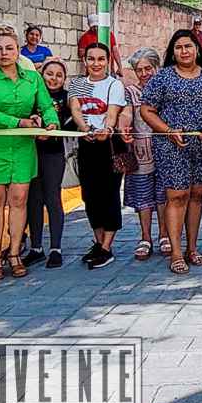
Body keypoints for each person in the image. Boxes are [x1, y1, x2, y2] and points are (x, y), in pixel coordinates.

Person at [0, 24, 59, 280]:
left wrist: (51, 122)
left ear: (18, 50)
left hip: (22, 146)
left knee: (19, 200)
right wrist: (18, 123)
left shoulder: (32, 77)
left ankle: (15, 253)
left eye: (9, 48)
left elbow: (46, 105)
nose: (4, 53)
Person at [139, 29, 202, 274]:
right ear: (172, 52)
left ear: (197, 49)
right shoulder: (163, 77)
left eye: (188, 46)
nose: (184, 51)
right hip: (171, 145)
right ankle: (175, 252)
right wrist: (168, 130)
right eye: (178, 47)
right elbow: (147, 110)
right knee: (177, 196)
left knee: (197, 195)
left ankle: (192, 248)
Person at [68, 43, 127, 270]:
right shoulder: (77, 84)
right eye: (91, 59)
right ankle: (98, 241)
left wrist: (107, 129)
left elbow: (112, 112)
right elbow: (75, 110)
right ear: (85, 61)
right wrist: (84, 129)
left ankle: (107, 247)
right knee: (90, 196)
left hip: (109, 145)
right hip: (86, 145)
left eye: (101, 59)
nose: (96, 64)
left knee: (109, 194)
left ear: (108, 60)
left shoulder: (114, 85)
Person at [121, 48, 171, 261]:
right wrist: (124, 125)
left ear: (156, 67)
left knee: (163, 193)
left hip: (165, 147)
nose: (144, 73)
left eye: (148, 68)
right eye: (139, 70)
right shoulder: (131, 92)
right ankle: (145, 237)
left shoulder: (166, 88)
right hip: (140, 150)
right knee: (143, 194)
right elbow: (126, 112)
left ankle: (164, 234)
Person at [24, 59, 73, 269]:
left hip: (53, 154)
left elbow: (71, 124)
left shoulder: (68, 98)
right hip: (30, 153)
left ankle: (56, 248)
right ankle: (36, 247)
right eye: (49, 74)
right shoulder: (31, 95)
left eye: (59, 75)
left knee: (53, 198)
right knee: (33, 199)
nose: (53, 78)